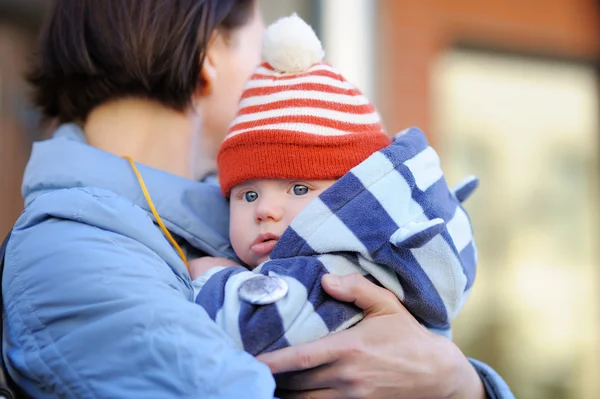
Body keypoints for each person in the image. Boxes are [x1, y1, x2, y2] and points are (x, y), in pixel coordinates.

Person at [1, 0, 514, 398]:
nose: (274, 75)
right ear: (208, 58)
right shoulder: (72, 254)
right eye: (259, 50)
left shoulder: (232, 221)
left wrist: (459, 383)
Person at [189, 14, 479, 356]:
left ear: (352, 198)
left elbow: (256, 328)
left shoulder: (341, 268)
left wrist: (215, 279)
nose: (264, 210)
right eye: (248, 194)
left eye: (299, 189)